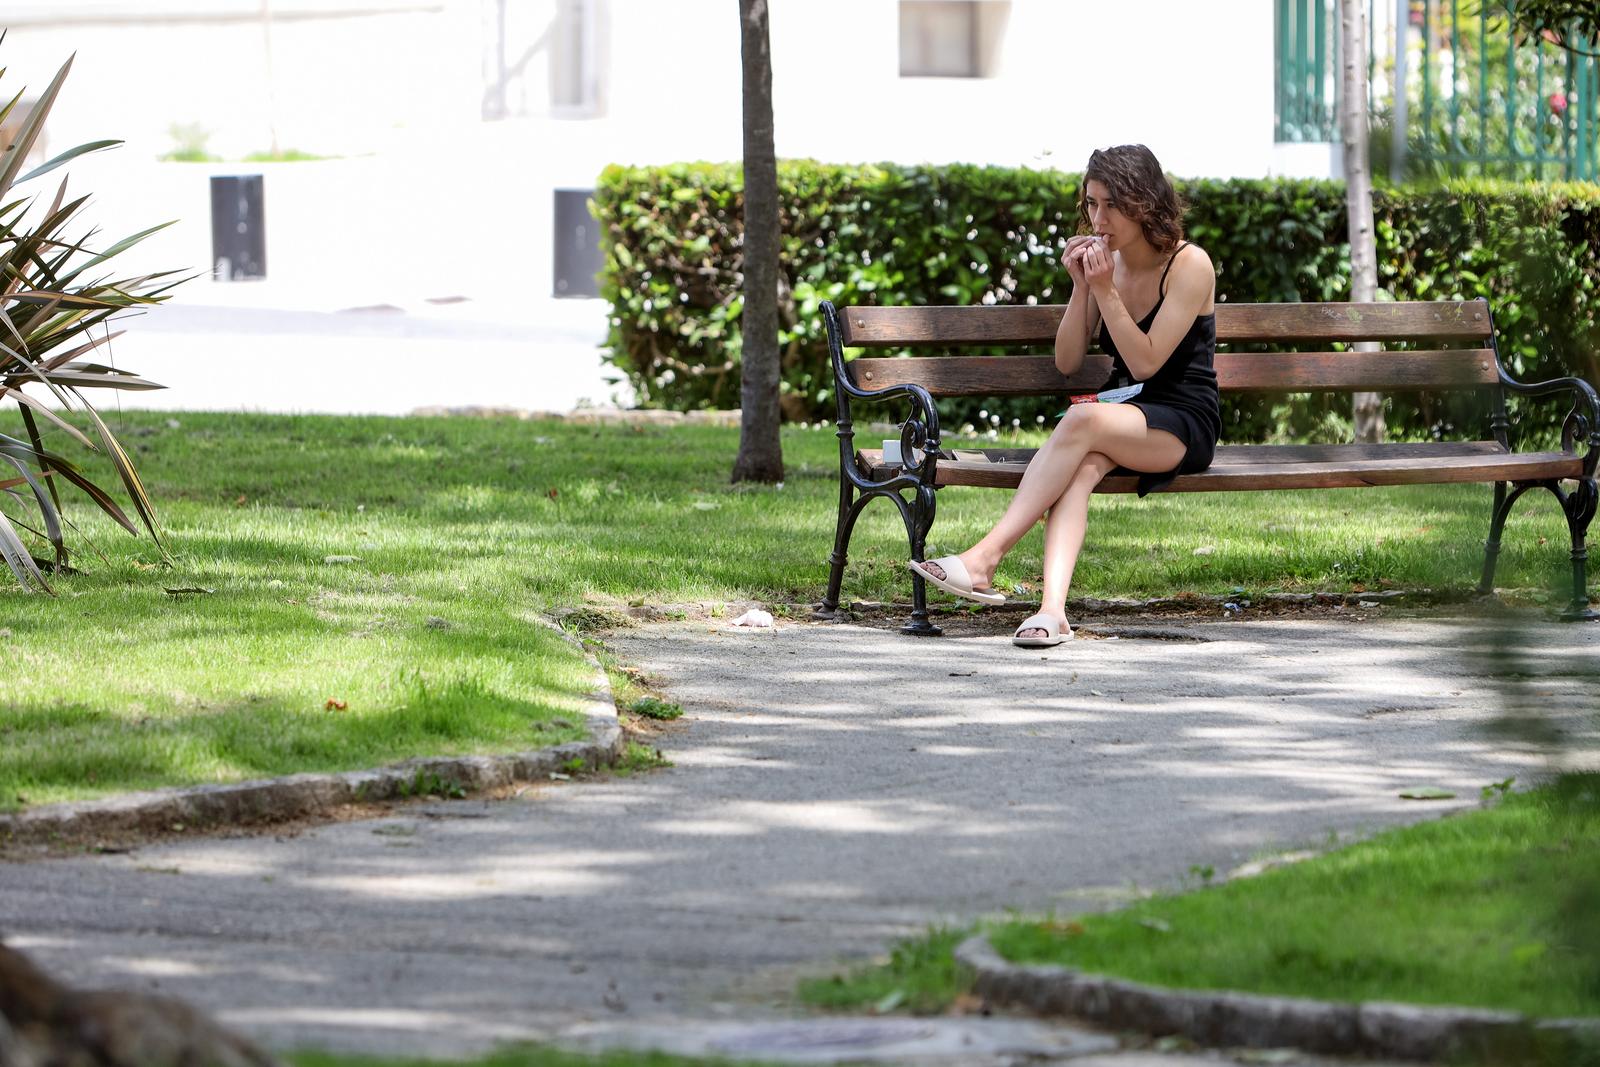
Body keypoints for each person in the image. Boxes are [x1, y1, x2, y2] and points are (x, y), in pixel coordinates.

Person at [907, 144, 1220, 647]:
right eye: (1092, 204)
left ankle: (984, 558)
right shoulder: (1106, 266)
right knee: (1080, 467)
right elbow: (1068, 361)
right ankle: (1052, 611)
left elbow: (1146, 362)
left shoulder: (1189, 264)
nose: (1098, 219)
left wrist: (1106, 291)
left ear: (1144, 203)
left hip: (1181, 421)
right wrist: (1082, 286)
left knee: (1081, 422)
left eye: (1110, 205)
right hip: (1123, 415)